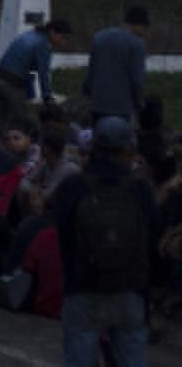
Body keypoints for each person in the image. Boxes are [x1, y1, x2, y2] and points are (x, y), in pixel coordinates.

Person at [52, 116, 156, 366]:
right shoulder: (140, 189)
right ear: (128, 150)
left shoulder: (73, 185)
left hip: (83, 289)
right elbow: (153, 233)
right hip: (130, 290)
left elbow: (63, 234)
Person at [0, 18, 70, 127]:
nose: (64, 42)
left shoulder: (30, 33)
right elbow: (44, 75)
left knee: (2, 123)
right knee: (22, 124)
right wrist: (47, 98)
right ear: (52, 32)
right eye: (62, 37)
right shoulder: (43, 44)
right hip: (12, 85)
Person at [83, 6, 150, 130]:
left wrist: (88, 92)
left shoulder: (99, 37)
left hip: (98, 103)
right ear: (139, 25)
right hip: (122, 106)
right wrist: (139, 103)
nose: (144, 33)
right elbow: (137, 80)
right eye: (145, 29)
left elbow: (91, 71)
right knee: (118, 141)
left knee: (99, 139)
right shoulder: (137, 44)